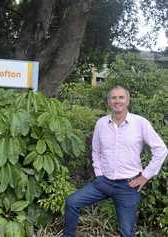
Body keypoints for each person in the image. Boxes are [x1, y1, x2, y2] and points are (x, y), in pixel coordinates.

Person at [62, 85, 168, 237]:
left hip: (128, 186)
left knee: (126, 231)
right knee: (72, 202)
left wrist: (145, 176)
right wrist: (99, 174)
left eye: (121, 97)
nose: (117, 101)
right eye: (113, 97)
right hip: (103, 183)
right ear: (109, 102)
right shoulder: (101, 124)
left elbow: (161, 149)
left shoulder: (140, 123)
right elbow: (96, 151)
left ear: (127, 100)